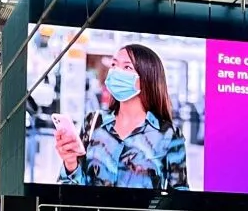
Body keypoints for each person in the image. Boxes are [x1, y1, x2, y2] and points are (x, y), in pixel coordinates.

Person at [54, 43, 190, 190]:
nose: (116, 72)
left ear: (146, 79)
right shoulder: (94, 122)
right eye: (114, 65)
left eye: (127, 67)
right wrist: (70, 163)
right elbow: (71, 191)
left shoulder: (169, 135)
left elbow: (179, 198)